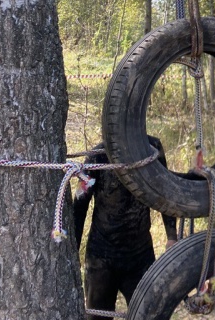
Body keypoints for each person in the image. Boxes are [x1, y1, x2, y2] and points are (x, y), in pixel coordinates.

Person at [73, 136, 178, 318]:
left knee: (150, 315)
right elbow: (80, 205)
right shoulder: (98, 156)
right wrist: (72, 251)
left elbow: (164, 192)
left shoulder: (152, 150)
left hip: (140, 255)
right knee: (97, 317)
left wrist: (171, 236)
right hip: (101, 257)